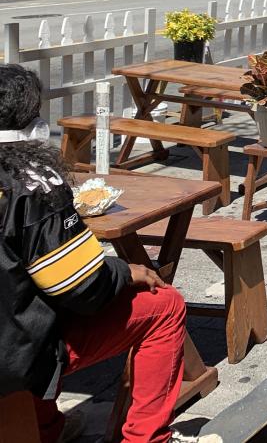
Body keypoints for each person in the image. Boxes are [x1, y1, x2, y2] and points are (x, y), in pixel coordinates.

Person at [0, 65, 199, 443]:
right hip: (13, 354)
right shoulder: (34, 181)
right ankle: (147, 438)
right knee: (165, 306)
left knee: (31, 302)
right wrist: (126, 271)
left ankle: (46, 427)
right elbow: (82, 288)